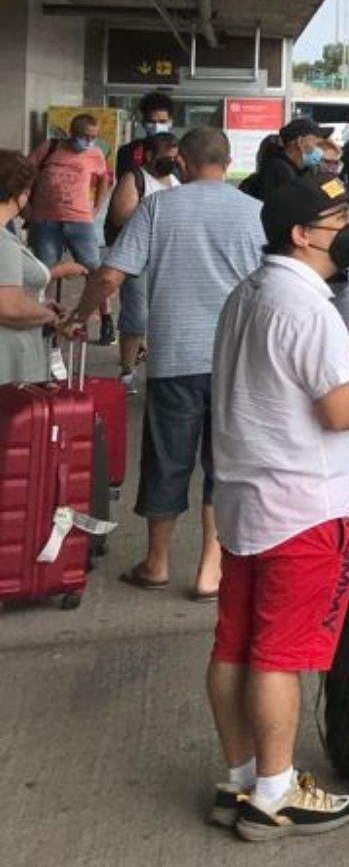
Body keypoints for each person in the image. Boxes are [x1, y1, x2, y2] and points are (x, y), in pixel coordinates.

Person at [205, 175, 349, 842]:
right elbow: (337, 411)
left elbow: (285, 380)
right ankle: (275, 793)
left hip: (245, 504)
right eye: (338, 218)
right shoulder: (311, 308)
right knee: (279, 655)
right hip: (302, 510)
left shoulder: (249, 292)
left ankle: (239, 778)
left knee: (234, 643)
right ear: (301, 234)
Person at [66, 127, 262, 599]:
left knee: (167, 461)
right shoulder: (256, 212)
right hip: (235, 362)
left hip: (175, 358)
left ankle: (156, 563)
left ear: (183, 163)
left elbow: (110, 276)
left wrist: (77, 317)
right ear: (227, 161)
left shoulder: (158, 207)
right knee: (224, 465)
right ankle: (210, 570)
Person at [27, 111, 114, 343]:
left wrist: (96, 207)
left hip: (80, 220)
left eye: (94, 137)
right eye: (85, 136)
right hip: (45, 220)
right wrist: (26, 207)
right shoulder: (50, 147)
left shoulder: (95, 153)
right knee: (45, 271)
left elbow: (105, 179)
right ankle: (44, 317)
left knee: (95, 270)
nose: (89, 141)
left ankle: (105, 319)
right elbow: (27, 173)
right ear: (72, 133)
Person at [0, 150, 84, 385]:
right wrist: (52, 318)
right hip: (9, 367)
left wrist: (39, 306)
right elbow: (9, 306)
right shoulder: (3, 242)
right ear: (22, 194)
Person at [106, 131, 181, 392]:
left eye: (175, 157)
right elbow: (119, 217)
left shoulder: (175, 180)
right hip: (139, 258)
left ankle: (159, 368)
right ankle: (127, 371)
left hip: (168, 257)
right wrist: (152, 211)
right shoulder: (135, 178)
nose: (171, 162)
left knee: (164, 315)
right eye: (166, 157)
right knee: (136, 315)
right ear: (149, 155)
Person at [315, 141, 349, 335]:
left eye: (337, 163)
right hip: (319, 272)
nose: (334, 167)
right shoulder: (307, 189)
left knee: (343, 333)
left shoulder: (339, 185)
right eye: (328, 162)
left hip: (341, 274)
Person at [248, 119, 328, 200]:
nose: (320, 149)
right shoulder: (280, 171)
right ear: (300, 141)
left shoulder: (299, 170)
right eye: (316, 143)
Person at [116, 91, 176, 183]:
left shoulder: (180, 152)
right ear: (143, 122)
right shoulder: (128, 151)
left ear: (170, 122)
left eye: (162, 122)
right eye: (152, 122)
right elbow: (122, 182)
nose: (157, 126)